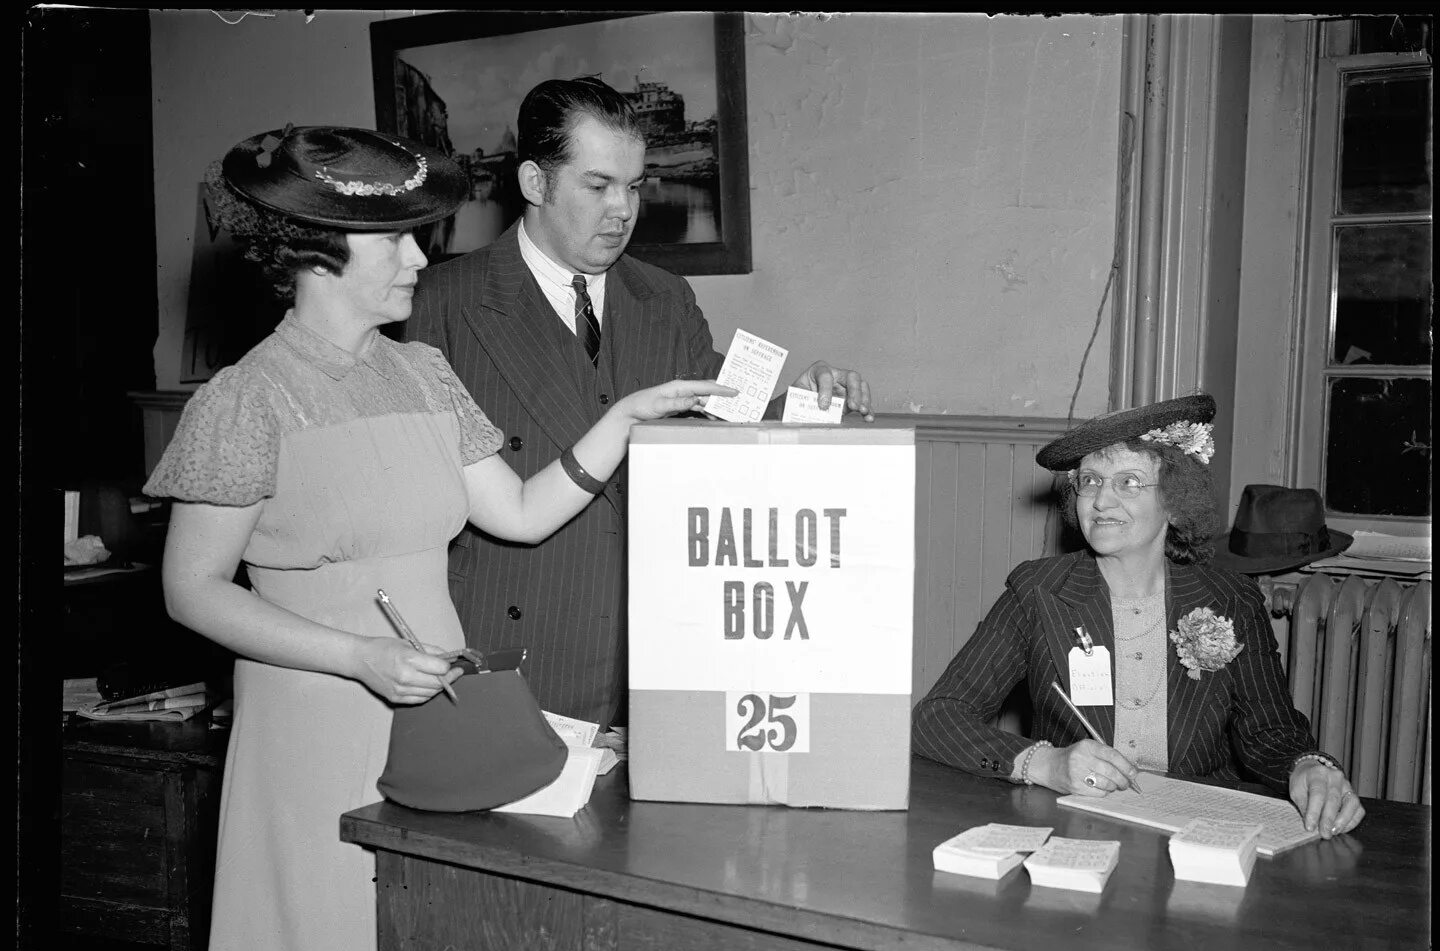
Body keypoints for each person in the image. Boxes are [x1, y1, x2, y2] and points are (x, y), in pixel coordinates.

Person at [143, 125, 731, 951]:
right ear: (314, 252)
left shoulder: (422, 376)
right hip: (317, 723)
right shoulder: (244, 400)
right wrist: (359, 657)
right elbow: (191, 592)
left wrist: (624, 419)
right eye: (399, 242)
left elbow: (522, 513)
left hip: (443, 717)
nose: (422, 258)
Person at [404, 76, 875, 729]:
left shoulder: (665, 297)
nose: (623, 210)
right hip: (511, 657)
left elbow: (723, 413)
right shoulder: (441, 305)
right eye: (598, 187)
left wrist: (809, 399)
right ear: (535, 184)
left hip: (653, 659)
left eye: (634, 186)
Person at [911, 394, 1365, 839]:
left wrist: (1308, 765)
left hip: (1198, 829)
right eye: (1089, 482)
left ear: (1174, 499)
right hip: (1076, 823)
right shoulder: (1038, 593)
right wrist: (1045, 763)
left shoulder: (1232, 600)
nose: (1102, 501)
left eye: (1128, 482)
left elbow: (1270, 730)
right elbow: (937, 718)